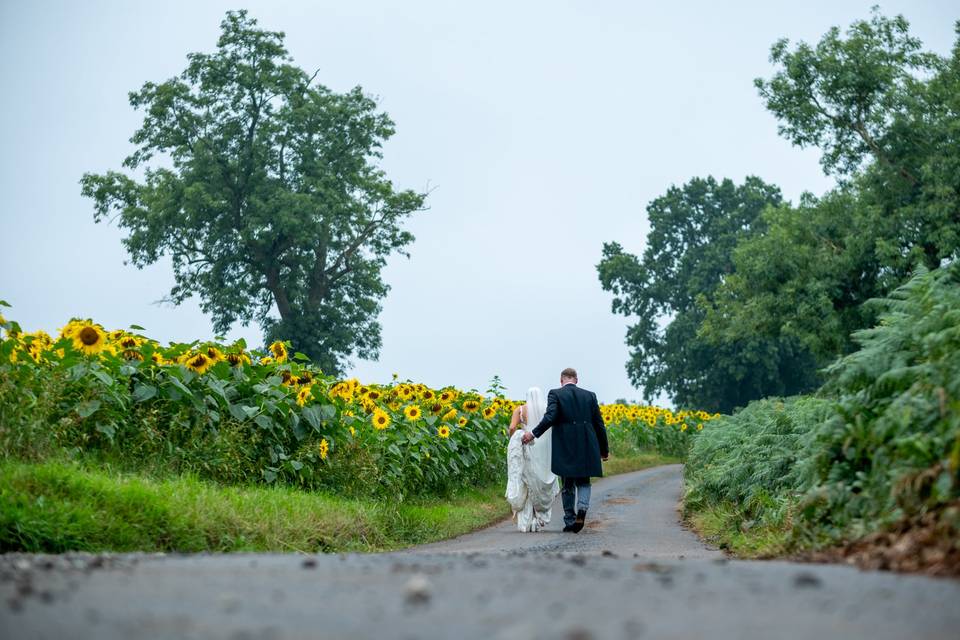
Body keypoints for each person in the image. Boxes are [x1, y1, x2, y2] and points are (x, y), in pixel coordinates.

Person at [522, 368, 608, 532]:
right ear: (576, 380)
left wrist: (533, 433)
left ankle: (570, 520)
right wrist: (603, 450)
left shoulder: (555, 394)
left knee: (567, 483)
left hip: (565, 444)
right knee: (584, 481)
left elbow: (550, 417)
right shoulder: (590, 395)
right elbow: (599, 424)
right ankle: (582, 510)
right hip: (586, 443)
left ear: (561, 380)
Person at [505, 387, 559, 531]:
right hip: (543, 448)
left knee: (527, 481)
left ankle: (527, 520)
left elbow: (511, 427)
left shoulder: (520, 410)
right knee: (539, 480)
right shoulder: (547, 409)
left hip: (526, 446)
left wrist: (513, 440)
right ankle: (539, 517)